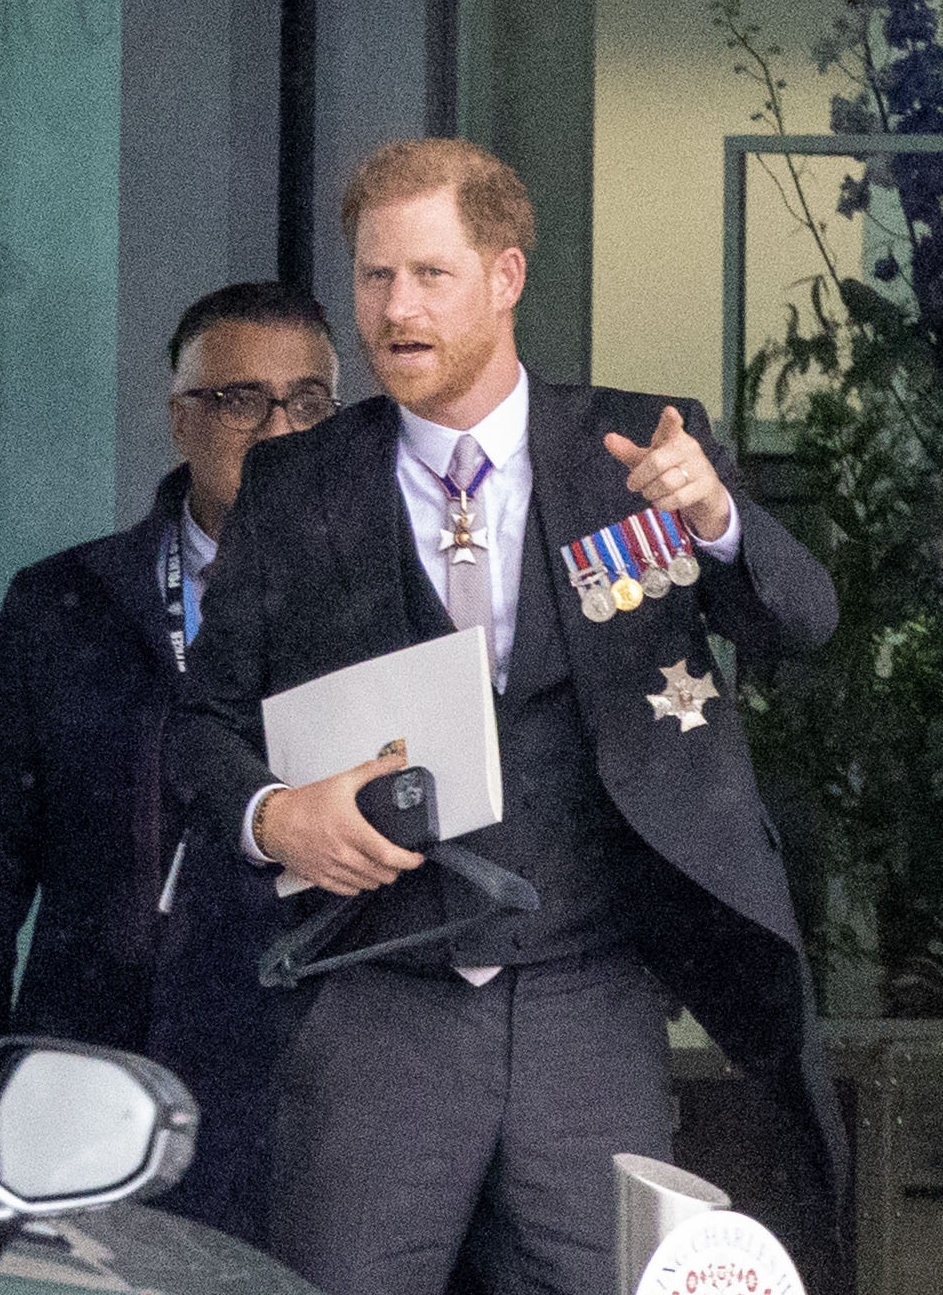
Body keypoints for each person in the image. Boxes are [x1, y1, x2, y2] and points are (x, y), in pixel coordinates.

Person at [166, 140, 848, 1295]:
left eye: (430, 274)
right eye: (374, 277)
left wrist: (723, 517)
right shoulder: (297, 483)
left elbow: (805, 622)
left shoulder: (634, 445)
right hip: (379, 1002)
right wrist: (275, 816)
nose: (395, 309)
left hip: (587, 996)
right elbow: (200, 725)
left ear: (505, 275)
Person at [0, 280, 339, 1054]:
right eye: (240, 400)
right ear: (181, 418)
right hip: (97, 1045)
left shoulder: (382, 606)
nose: (278, 431)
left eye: (308, 402)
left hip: (304, 1054)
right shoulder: (63, 602)